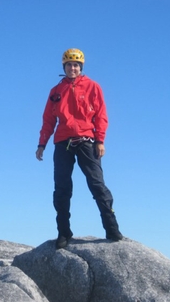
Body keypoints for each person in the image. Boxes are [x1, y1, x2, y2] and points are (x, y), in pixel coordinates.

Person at [36, 48, 123, 249]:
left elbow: (101, 115)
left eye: (76, 65)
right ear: (64, 67)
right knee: (62, 189)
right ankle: (63, 233)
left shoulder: (93, 87)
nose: (72, 68)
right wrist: (42, 144)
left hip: (87, 141)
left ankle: (112, 229)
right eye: (69, 65)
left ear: (81, 67)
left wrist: (100, 140)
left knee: (97, 185)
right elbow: (48, 119)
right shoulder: (56, 91)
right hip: (62, 143)